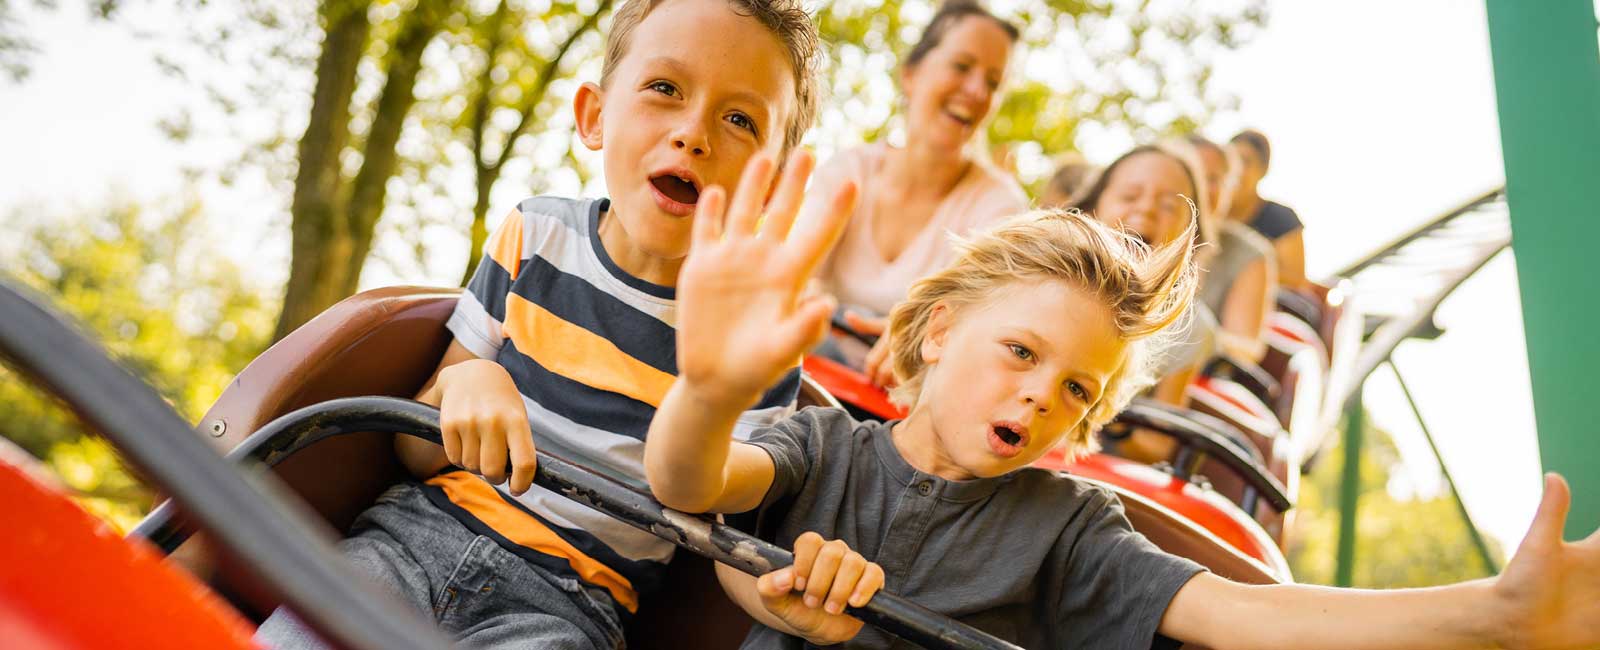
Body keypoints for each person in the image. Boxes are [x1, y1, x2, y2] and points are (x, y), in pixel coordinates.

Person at [645, 163, 1600, 648]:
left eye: (1077, 391)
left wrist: (1492, 615)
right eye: (1022, 351)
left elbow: (1241, 615)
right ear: (938, 332)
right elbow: (688, 479)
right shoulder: (824, 447)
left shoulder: (1066, 527)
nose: (1042, 395)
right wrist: (711, 393)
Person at [254, 1, 830, 647]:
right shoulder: (538, 236)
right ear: (594, 117)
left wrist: (791, 596)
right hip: (412, 542)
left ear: (775, 184)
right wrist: (465, 384)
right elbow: (413, 449)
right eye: (665, 88)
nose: (694, 133)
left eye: (739, 119)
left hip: (566, 608)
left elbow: (727, 544)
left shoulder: (760, 345)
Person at [806, 0, 1028, 386]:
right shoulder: (850, 170)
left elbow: (981, 322)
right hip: (818, 371)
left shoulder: (998, 205)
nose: (976, 91)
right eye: (962, 67)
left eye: (993, 82)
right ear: (911, 74)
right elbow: (797, 277)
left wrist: (917, 335)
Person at [1184, 134, 1277, 361]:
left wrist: (1182, 335)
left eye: (1213, 179)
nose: (1200, 188)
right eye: (1191, 176)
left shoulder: (1250, 254)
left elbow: (1246, 347)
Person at [1227, 128, 1308, 290]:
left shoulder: (1281, 218)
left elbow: (1295, 278)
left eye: (1246, 161)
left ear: (1263, 170)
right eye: (1231, 160)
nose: (1237, 169)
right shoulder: (1207, 213)